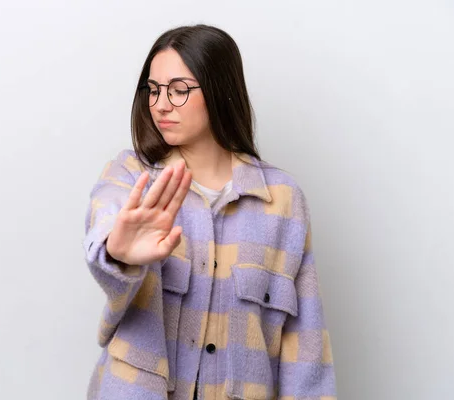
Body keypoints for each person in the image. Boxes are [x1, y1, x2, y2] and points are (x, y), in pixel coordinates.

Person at [82, 24, 337, 400]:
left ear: (220, 90)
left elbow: (306, 347)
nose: (161, 104)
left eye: (179, 90)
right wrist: (118, 252)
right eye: (153, 90)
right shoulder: (129, 176)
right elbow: (105, 225)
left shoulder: (282, 200)